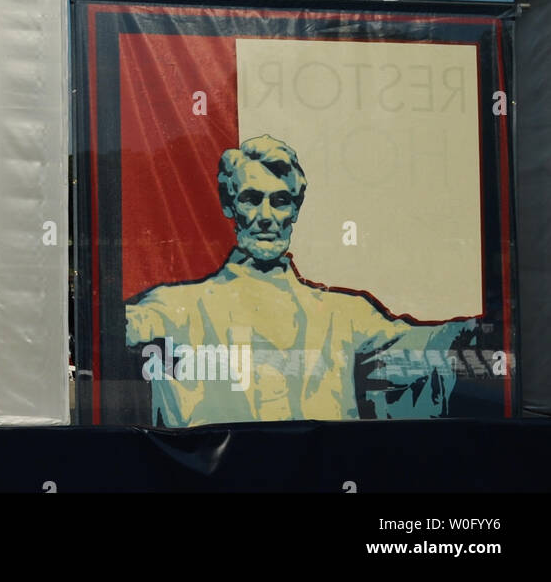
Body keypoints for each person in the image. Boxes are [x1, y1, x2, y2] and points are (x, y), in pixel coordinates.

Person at [125, 134, 477, 427]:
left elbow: (426, 349)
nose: (265, 217)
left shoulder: (344, 314)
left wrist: (480, 329)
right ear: (229, 205)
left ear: (294, 211)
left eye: (280, 201)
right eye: (251, 199)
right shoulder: (177, 307)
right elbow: (109, 337)